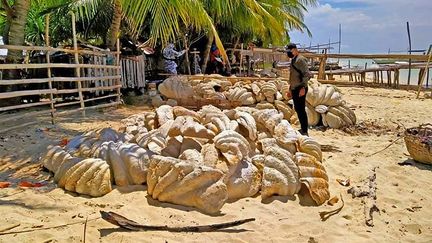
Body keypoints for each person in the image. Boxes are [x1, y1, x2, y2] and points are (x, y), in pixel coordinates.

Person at [287, 43, 312, 136]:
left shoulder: (300, 60)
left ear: (295, 50)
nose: (288, 53)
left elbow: (306, 74)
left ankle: (305, 130)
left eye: (289, 51)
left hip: (300, 88)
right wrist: (290, 89)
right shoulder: (293, 60)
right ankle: (303, 128)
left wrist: (303, 88)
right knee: (298, 108)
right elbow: (292, 75)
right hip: (294, 88)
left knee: (301, 109)